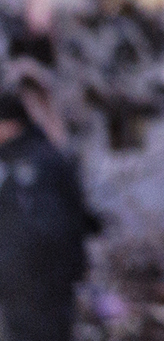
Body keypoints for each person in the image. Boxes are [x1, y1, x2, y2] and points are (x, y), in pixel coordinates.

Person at [0, 87, 94, 341]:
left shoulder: (33, 165)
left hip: (38, 284)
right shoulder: (31, 158)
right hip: (27, 284)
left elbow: (46, 227)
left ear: (10, 124)